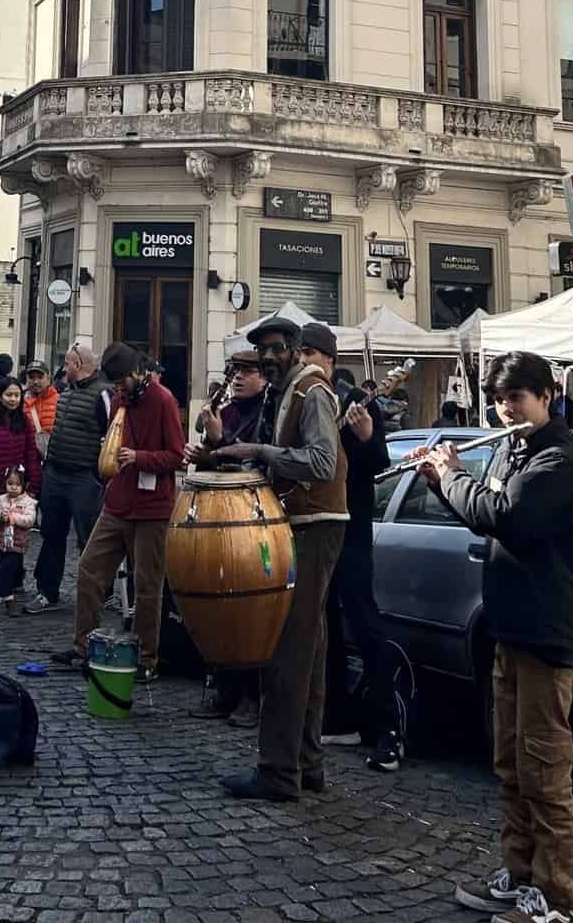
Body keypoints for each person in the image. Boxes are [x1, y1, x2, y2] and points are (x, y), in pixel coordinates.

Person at [425, 350, 573, 923]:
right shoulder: (514, 447)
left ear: (547, 396)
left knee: (544, 770)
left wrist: (450, 474)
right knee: (510, 762)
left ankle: (556, 900)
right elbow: (482, 507)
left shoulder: (556, 461)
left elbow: (503, 515)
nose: (505, 410)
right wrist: (439, 480)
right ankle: (520, 873)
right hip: (513, 626)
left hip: (549, 632)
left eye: (517, 399)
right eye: (499, 399)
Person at [218, 315, 347, 804]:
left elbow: (318, 461)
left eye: (274, 349)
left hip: (314, 525)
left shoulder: (311, 391)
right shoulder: (288, 390)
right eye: (261, 353)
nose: (267, 358)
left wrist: (257, 450)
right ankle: (306, 763)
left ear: (294, 348)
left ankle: (277, 772)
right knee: (309, 650)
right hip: (312, 523)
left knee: (288, 650)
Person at [52, 343, 184, 679]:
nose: (117, 387)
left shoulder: (164, 400)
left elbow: (176, 455)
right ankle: (84, 647)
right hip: (118, 502)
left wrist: (139, 458)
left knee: (146, 585)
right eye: (114, 382)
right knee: (89, 570)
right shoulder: (121, 400)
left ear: (137, 373)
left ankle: (146, 659)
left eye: (121, 381)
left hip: (152, 509)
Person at [297, 322, 390, 747]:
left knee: (362, 618)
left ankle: (385, 722)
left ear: (330, 361)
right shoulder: (303, 399)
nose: (303, 361)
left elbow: (379, 463)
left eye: (311, 355)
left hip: (351, 527)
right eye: (300, 354)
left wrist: (367, 436)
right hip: (319, 524)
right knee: (325, 623)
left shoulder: (355, 402)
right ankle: (336, 717)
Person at [189, 339, 269, 727]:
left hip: (254, 516)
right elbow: (214, 458)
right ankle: (225, 688)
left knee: (250, 606)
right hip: (221, 514)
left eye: (247, 372)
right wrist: (205, 445)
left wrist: (218, 443)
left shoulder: (267, 410)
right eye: (234, 372)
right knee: (220, 603)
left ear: (263, 377)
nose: (238, 378)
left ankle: (251, 695)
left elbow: (254, 460)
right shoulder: (229, 409)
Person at [25, 344, 107, 613]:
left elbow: (111, 436)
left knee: (89, 538)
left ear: (79, 364)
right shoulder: (67, 391)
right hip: (56, 473)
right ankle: (47, 591)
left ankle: (96, 593)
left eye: (68, 363)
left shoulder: (103, 394)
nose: (64, 368)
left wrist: (99, 474)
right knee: (51, 534)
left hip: (84, 476)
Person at [0, 378, 41, 598]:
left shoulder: (24, 421)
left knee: (17, 532)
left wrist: (34, 483)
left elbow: (31, 453)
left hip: (18, 486)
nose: (13, 399)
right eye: (9, 395)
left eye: (16, 395)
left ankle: (13, 577)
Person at [0, 465, 37, 617]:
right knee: (1, 572)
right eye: (10, 484)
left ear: (23, 485)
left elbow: (30, 520)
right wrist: (0, 516)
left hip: (16, 545)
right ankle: (10, 601)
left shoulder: (28, 502)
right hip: (0, 544)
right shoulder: (1, 500)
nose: (13, 487)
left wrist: (14, 518)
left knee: (5, 572)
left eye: (17, 485)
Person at [23, 360, 59, 456]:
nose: (35, 381)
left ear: (48, 378)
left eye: (40, 377)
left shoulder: (60, 401)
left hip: (53, 458)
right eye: (31, 377)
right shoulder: (19, 402)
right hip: (27, 458)